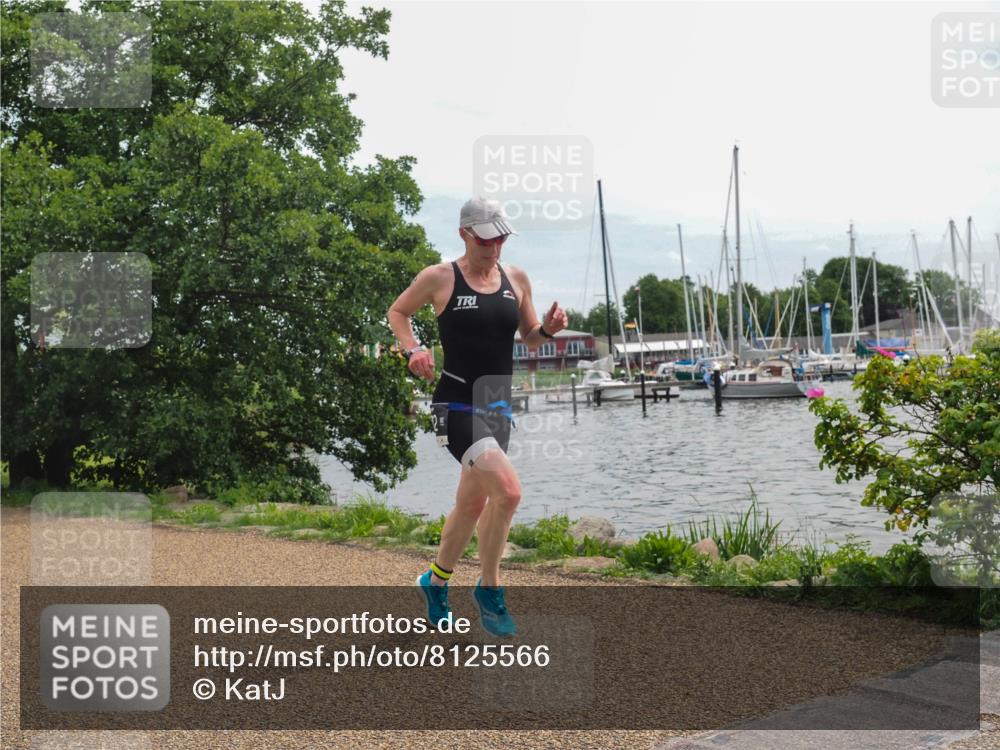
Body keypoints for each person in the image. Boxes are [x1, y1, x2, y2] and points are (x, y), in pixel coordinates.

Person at [387, 197, 567, 636]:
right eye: (487, 238)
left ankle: (435, 581)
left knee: (472, 504)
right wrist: (413, 349)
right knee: (508, 492)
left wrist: (548, 329)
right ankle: (490, 590)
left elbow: (529, 339)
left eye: (501, 237)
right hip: (455, 404)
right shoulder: (439, 277)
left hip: (496, 407)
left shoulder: (516, 277)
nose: (496, 246)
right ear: (465, 234)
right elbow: (398, 312)